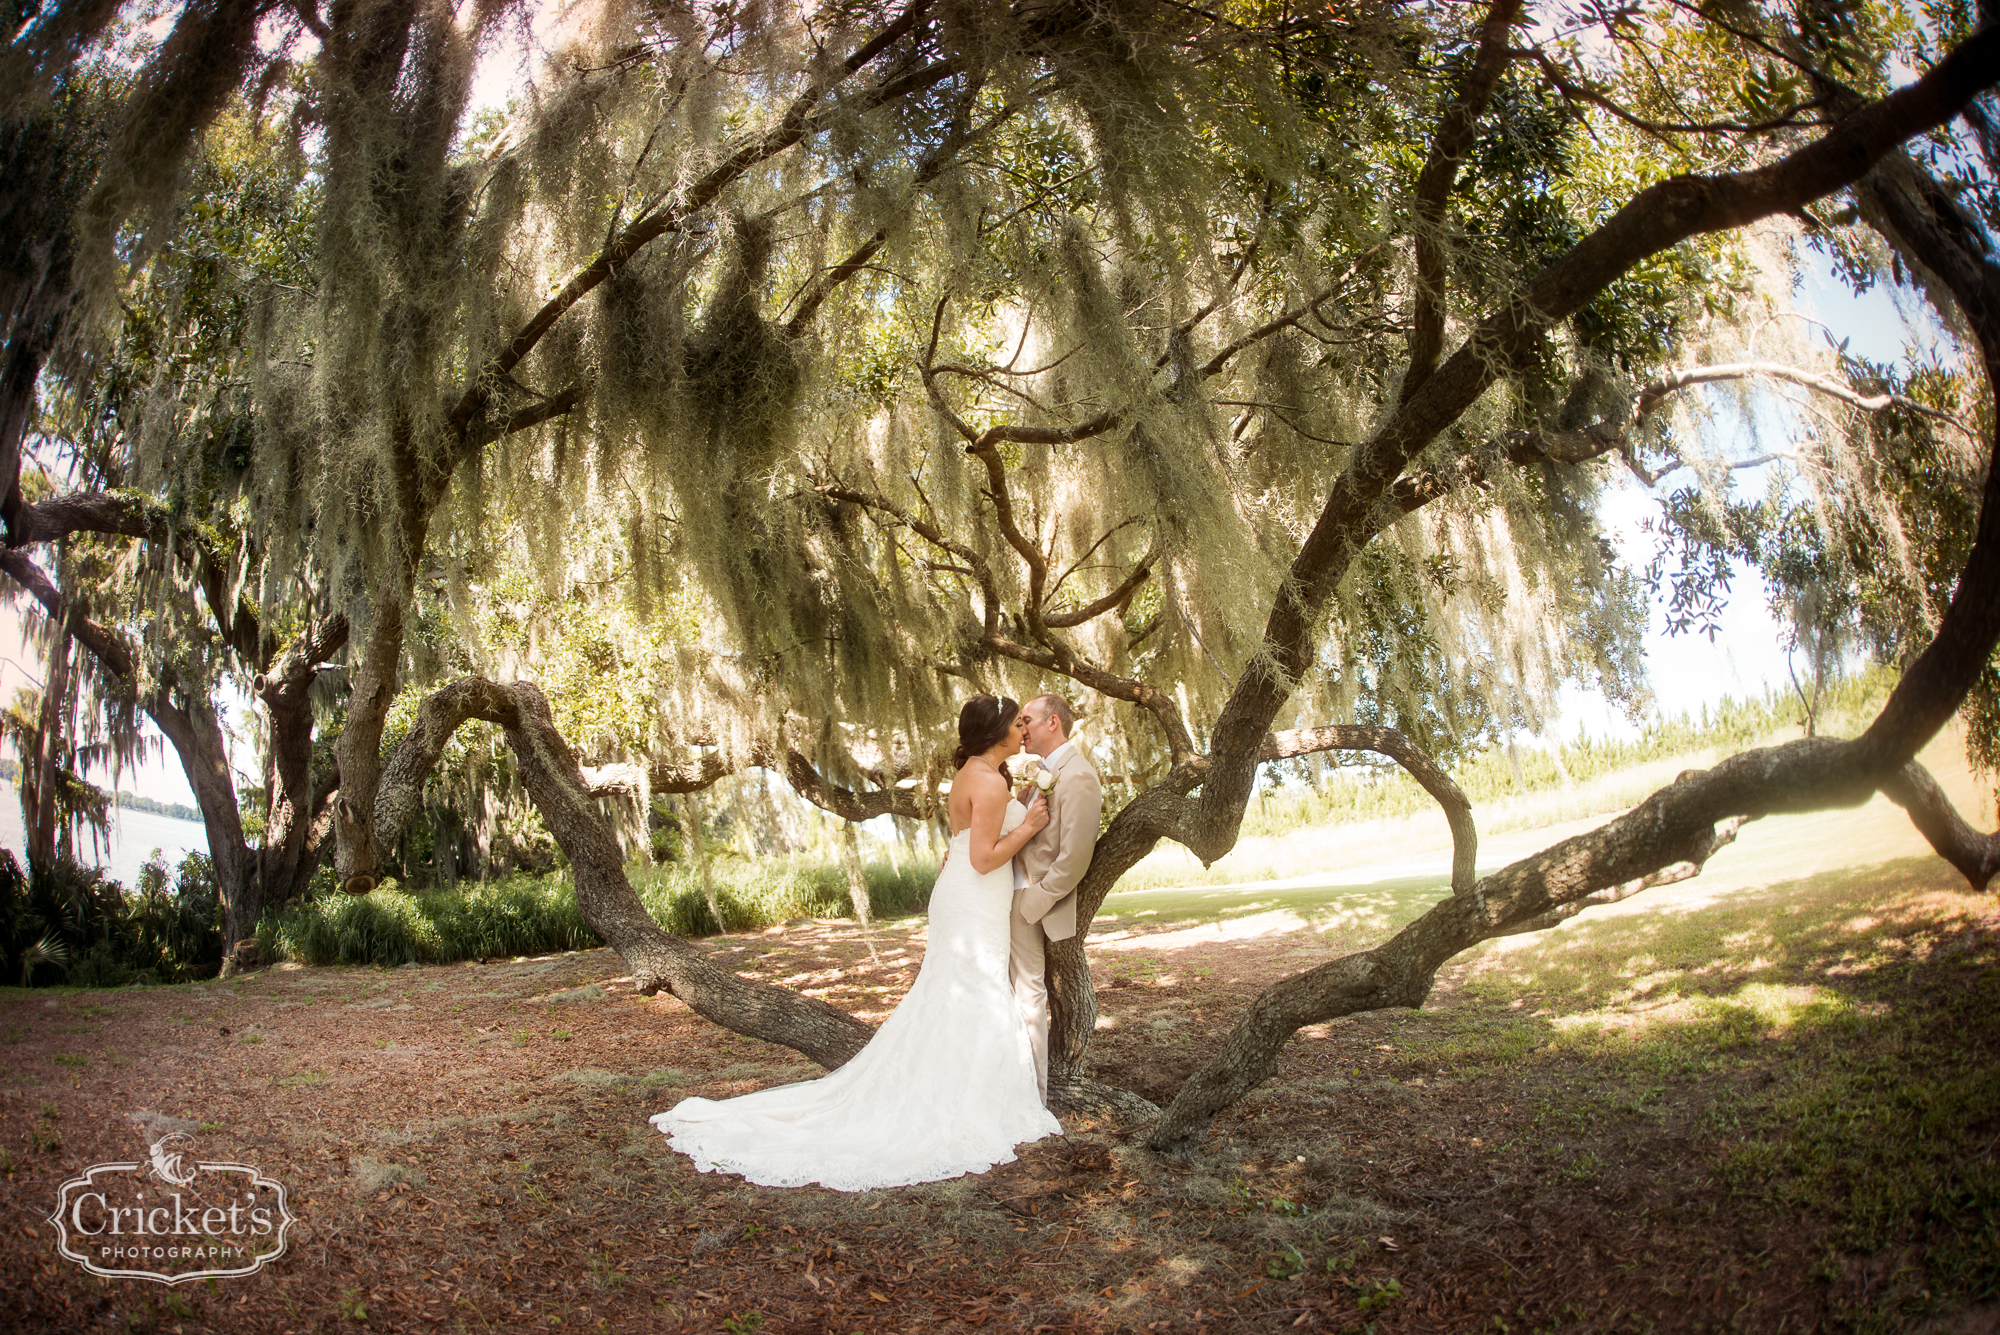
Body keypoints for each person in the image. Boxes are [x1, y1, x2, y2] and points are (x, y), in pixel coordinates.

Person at [650, 694, 1061, 1190]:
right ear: (998, 732)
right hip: (974, 896)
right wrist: (1032, 825)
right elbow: (983, 857)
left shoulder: (973, 774)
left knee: (956, 993)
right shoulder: (990, 781)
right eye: (1017, 723)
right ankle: (966, 1100)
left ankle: (956, 1086)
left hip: (962, 897)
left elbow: (968, 843)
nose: (1023, 730)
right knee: (973, 991)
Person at [1009, 694, 1103, 1105]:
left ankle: (1034, 1101)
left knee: (1029, 997)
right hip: (1004, 893)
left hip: (1030, 903)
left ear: (1052, 723)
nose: (1020, 728)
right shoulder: (1040, 774)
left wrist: (1034, 902)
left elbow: (1074, 859)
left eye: (1026, 720)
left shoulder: (1078, 774)